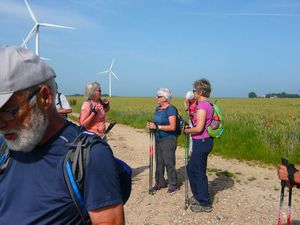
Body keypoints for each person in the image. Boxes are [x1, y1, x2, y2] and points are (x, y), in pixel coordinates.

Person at [0, 46, 124, 225]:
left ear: (45, 97)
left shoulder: (90, 156)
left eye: (9, 111)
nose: (1, 124)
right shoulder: (5, 148)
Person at [184, 78, 214, 213]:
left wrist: (185, 130)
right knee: (191, 169)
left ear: (201, 91)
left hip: (201, 141)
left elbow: (198, 128)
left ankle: (205, 203)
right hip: (201, 141)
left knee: (198, 172)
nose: (193, 92)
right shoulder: (203, 105)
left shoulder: (202, 106)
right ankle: (197, 196)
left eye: (195, 90)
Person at [146, 88, 178, 194]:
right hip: (158, 138)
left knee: (169, 161)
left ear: (165, 98)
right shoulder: (158, 109)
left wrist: (158, 127)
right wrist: (151, 126)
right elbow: (156, 123)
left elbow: (173, 127)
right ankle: (160, 182)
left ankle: (173, 183)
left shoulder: (171, 109)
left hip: (169, 138)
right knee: (159, 161)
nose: (156, 98)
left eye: (158, 96)